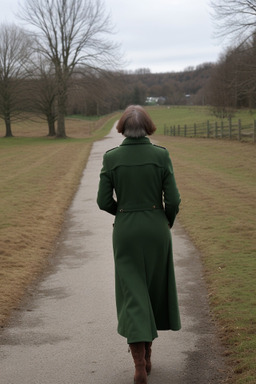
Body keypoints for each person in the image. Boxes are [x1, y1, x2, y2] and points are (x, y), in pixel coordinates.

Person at [97, 105, 181, 384]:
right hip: (157, 228)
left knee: (133, 293)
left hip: (126, 231)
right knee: (154, 290)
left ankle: (139, 365)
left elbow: (103, 201)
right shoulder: (161, 155)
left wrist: (125, 213)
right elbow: (174, 200)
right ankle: (148, 356)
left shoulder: (112, 158)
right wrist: (164, 220)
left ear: (123, 127)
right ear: (148, 127)